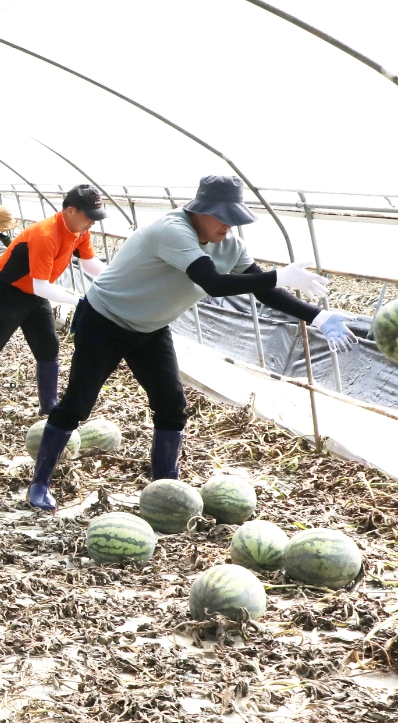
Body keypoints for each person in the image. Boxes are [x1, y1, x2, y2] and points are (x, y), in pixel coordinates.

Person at [24, 174, 355, 511]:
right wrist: (278, 275)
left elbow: (262, 289)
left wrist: (318, 317)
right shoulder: (172, 231)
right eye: (222, 217)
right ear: (200, 211)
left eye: (234, 218)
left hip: (151, 329)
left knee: (171, 406)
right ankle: (39, 483)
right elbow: (210, 281)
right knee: (78, 404)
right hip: (104, 321)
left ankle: (165, 487)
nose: (228, 225)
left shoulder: (230, 246)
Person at [0, 187, 107, 423]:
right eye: (89, 216)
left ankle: (49, 406)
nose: (92, 223)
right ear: (70, 211)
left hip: (34, 295)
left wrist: (115, 280)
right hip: (6, 294)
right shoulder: (46, 235)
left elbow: (88, 262)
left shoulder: (79, 231)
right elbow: (42, 286)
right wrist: (81, 301)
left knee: (48, 347)